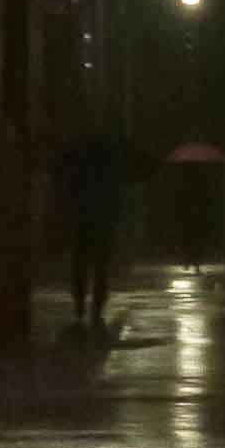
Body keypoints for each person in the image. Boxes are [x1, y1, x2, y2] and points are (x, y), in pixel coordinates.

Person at [57, 125, 129, 329]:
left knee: (80, 264)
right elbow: (115, 197)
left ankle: (80, 302)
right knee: (100, 266)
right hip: (102, 221)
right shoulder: (108, 169)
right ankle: (96, 306)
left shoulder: (77, 168)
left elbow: (68, 193)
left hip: (82, 220)